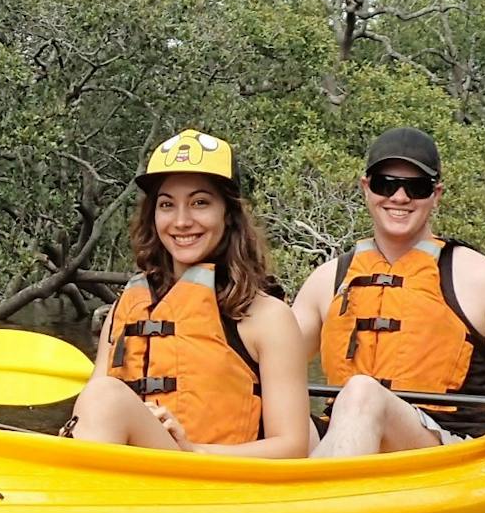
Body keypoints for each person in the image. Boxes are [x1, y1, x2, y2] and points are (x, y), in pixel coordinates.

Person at [292, 126, 485, 456]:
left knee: (362, 393)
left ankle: (319, 498)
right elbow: (266, 372)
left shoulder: (481, 278)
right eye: (386, 184)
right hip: (342, 433)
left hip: (445, 447)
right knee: (268, 417)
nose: (399, 197)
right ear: (366, 188)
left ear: (436, 195)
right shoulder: (326, 280)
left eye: (417, 187)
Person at [64, 129, 311, 457]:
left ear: (228, 213)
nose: (181, 221)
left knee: (105, 396)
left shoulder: (268, 317)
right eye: (167, 204)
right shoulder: (129, 304)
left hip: (216, 483)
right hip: (138, 474)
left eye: (200, 203)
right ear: (154, 216)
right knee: (100, 395)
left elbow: (292, 447)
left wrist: (194, 450)